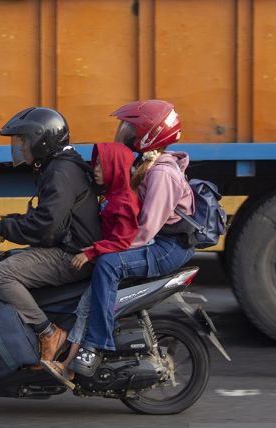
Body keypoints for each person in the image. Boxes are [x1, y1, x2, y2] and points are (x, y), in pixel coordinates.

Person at [69, 100, 197, 377]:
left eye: (130, 127)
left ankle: (94, 345)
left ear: (149, 134)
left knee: (108, 265)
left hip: (167, 246)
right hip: (155, 240)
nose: (124, 132)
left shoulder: (162, 173)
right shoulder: (147, 163)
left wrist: (102, 249)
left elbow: (146, 230)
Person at [0, 107, 101, 365]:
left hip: (72, 255)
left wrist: (3, 228)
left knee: (1, 275)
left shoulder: (61, 172)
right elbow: (48, 218)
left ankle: (49, 334)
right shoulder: (60, 166)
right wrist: (2, 223)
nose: (20, 147)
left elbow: (47, 227)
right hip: (69, 246)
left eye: (24, 141)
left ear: (42, 140)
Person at [40, 142, 141, 387]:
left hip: (107, 264)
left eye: (101, 164)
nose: (94, 168)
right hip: (99, 259)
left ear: (115, 168)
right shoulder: (111, 195)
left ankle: (70, 366)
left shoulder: (124, 201)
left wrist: (90, 252)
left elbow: (122, 241)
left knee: (85, 310)